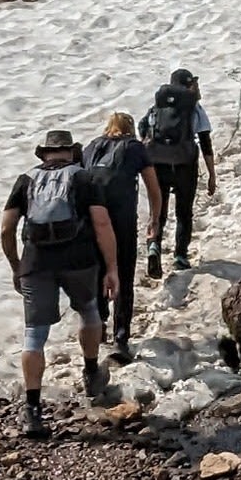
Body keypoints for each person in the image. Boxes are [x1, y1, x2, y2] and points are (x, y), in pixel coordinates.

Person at [0, 125, 123, 437]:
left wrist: (17, 266)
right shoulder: (84, 177)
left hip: (35, 263)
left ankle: (33, 410)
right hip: (79, 261)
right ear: (71, 151)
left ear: (44, 153)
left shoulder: (26, 179)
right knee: (89, 312)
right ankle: (93, 374)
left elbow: (6, 229)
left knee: (34, 336)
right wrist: (112, 268)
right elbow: (101, 222)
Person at [82, 110, 153, 357]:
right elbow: (152, 185)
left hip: (91, 222)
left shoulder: (91, 148)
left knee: (98, 272)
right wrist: (155, 217)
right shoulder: (134, 147)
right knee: (123, 274)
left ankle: (99, 324)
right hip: (122, 222)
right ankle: (121, 339)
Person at [140, 68, 220, 276]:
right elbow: (205, 141)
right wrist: (211, 174)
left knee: (158, 210)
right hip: (185, 165)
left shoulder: (156, 107)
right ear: (189, 85)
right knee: (184, 212)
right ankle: (180, 256)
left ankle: (154, 247)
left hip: (158, 165)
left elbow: (142, 130)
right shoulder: (194, 108)